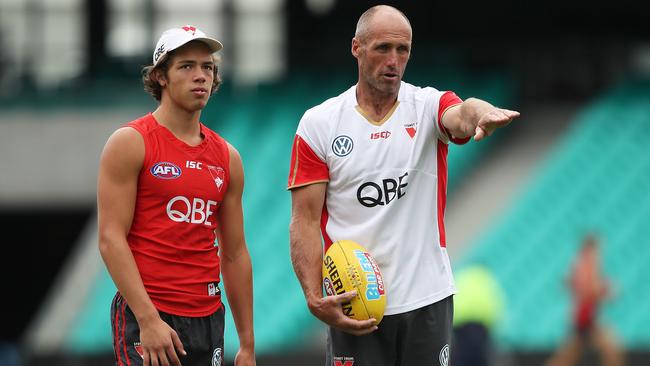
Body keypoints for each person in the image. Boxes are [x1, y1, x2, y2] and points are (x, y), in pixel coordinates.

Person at [287, 5, 520, 366]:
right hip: (355, 303)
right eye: (383, 48)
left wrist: (482, 113)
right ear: (356, 48)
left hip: (426, 299)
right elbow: (303, 219)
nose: (394, 60)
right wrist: (313, 295)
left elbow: (462, 113)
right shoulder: (319, 124)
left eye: (403, 50)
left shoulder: (426, 106)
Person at [97, 25, 255, 366]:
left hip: (208, 317)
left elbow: (235, 253)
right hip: (151, 316)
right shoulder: (130, 142)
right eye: (186, 66)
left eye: (207, 67)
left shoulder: (228, 157)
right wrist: (148, 319)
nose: (200, 76)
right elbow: (111, 238)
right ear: (161, 77)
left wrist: (247, 344)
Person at [545, 234, 624, 366]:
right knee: (611, 349)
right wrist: (607, 290)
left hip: (585, 317)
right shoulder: (588, 262)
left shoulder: (581, 262)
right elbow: (589, 291)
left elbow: (569, 283)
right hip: (585, 318)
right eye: (599, 247)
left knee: (567, 358)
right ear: (592, 247)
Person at [452, 265, 506, 366]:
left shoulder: (462, 276)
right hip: (481, 327)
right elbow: (496, 303)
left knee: (461, 357)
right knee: (480, 358)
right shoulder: (487, 280)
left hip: (461, 326)